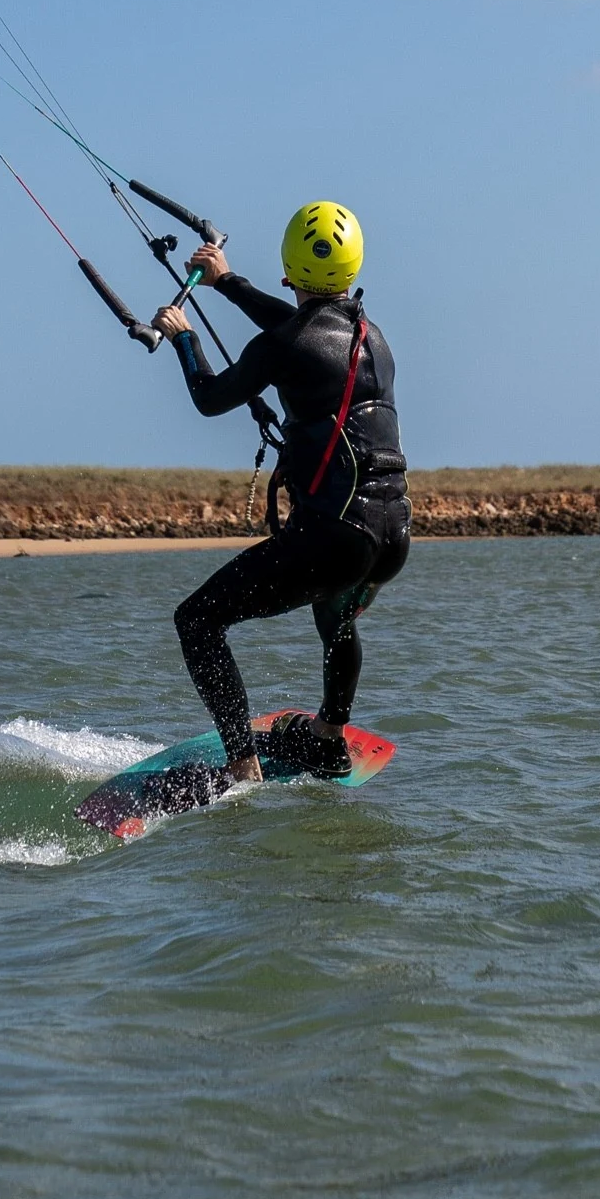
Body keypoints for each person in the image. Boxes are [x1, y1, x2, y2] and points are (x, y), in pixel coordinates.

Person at [154, 200, 409, 789]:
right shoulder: (374, 339)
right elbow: (301, 328)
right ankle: (328, 737)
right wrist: (226, 283)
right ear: (353, 268)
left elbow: (211, 397)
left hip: (338, 537)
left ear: (288, 268)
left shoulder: (285, 344)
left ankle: (242, 767)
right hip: (392, 535)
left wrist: (184, 339)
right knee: (336, 618)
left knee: (197, 620)